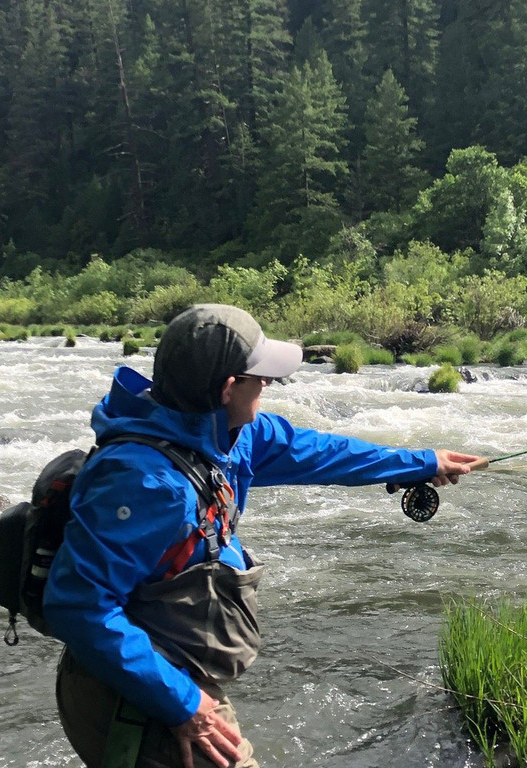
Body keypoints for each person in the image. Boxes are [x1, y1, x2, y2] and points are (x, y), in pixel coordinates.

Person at [43, 304, 481, 768]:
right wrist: (183, 704)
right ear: (229, 388)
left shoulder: (231, 435)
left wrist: (422, 463)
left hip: (159, 673)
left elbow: (321, 453)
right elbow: (79, 607)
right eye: (261, 377)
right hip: (131, 691)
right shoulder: (145, 482)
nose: (268, 385)